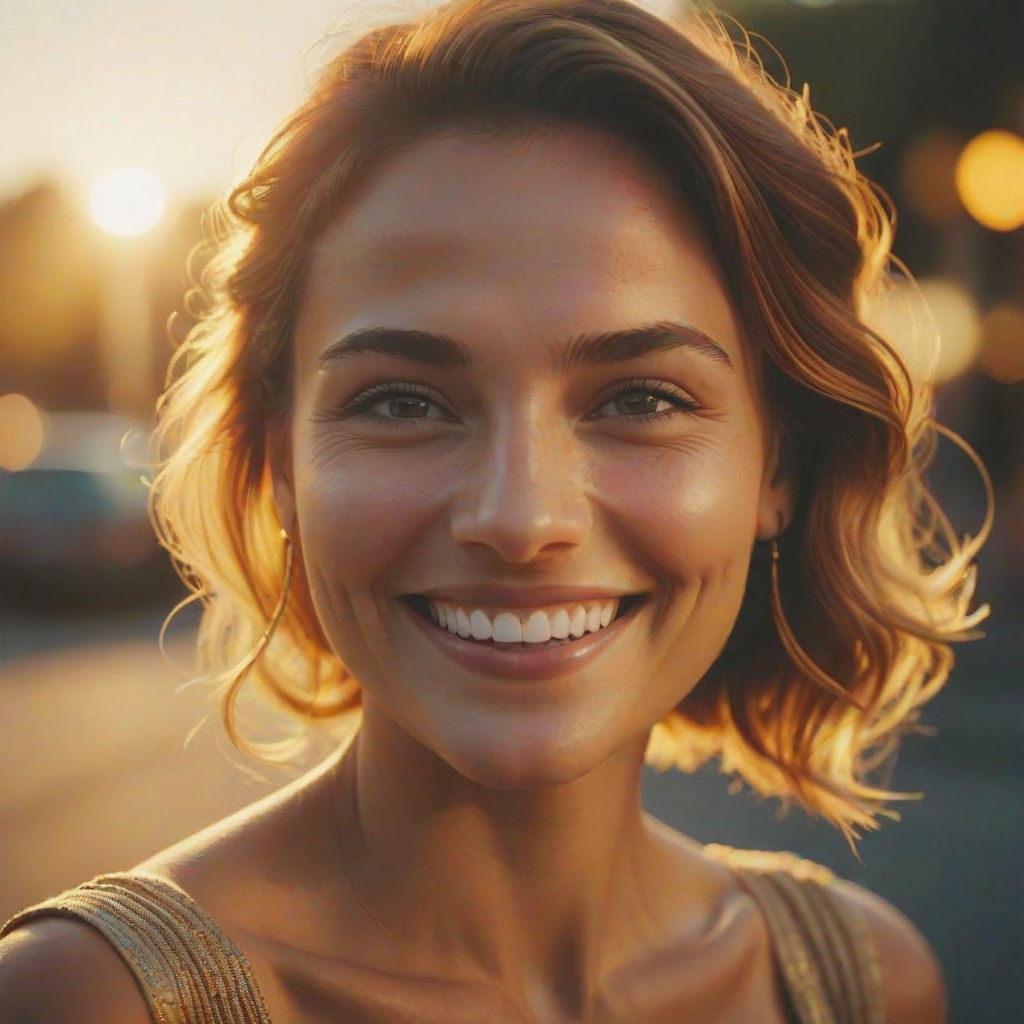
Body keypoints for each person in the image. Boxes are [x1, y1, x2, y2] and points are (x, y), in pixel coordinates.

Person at [0, 0, 990, 1020]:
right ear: (280, 459)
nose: (520, 518)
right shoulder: (89, 1000)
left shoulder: (861, 984)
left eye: (640, 399)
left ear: (775, 463)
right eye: (401, 401)